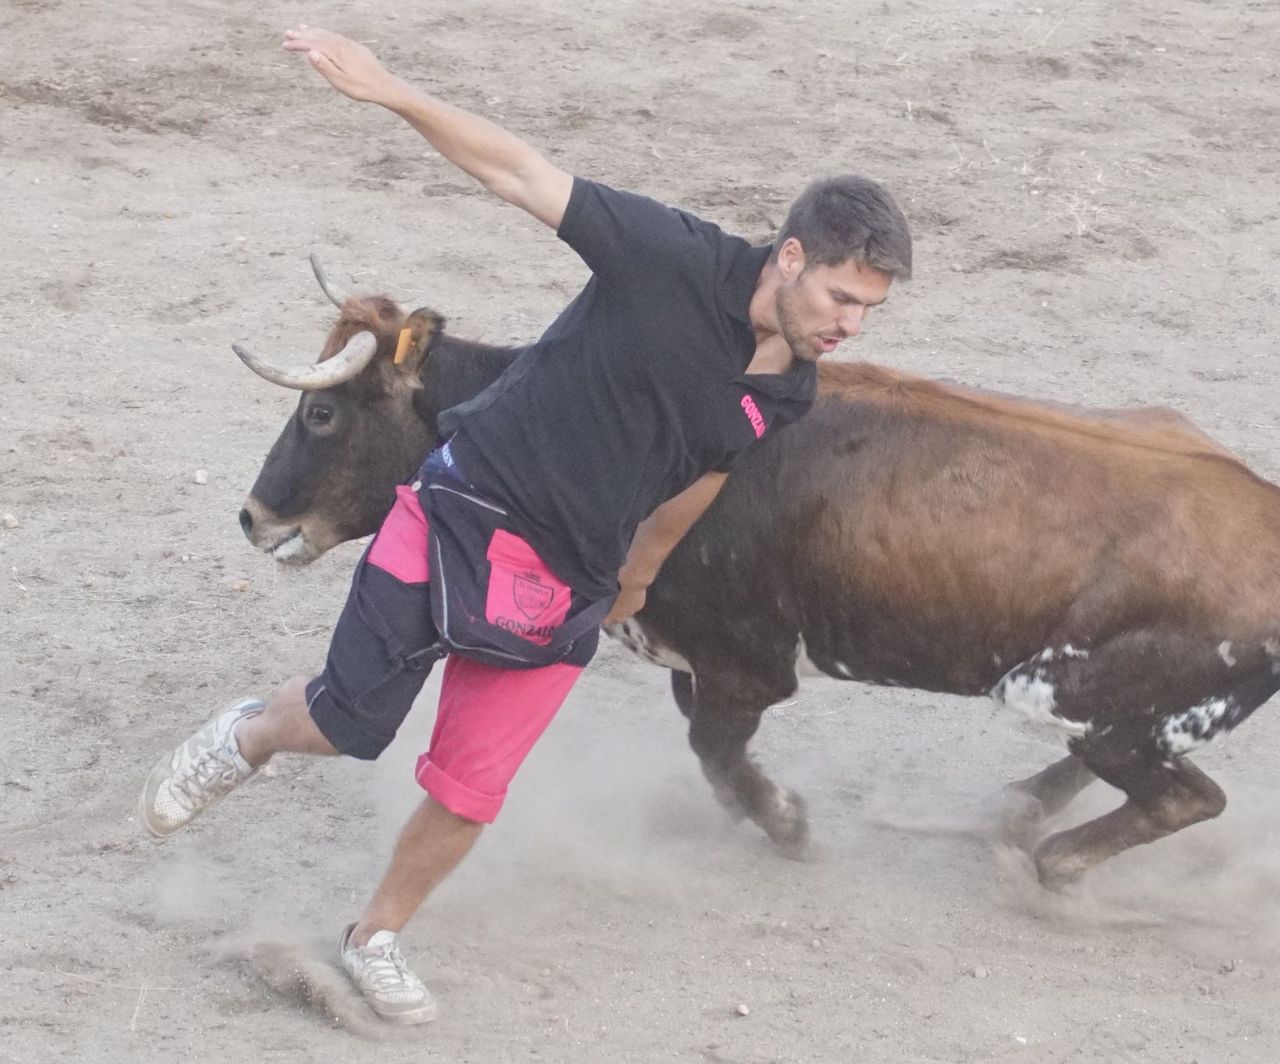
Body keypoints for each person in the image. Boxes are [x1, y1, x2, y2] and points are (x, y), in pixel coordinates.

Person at [139, 26, 912, 1025]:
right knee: (345, 723)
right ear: (792, 256)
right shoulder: (665, 256)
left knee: (472, 786)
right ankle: (246, 734)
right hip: (465, 505)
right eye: (843, 296)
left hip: (569, 580)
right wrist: (388, 91)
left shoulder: (789, 385)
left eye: (870, 308)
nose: (851, 322)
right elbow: (516, 170)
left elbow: (700, 470)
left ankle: (376, 934)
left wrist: (638, 575)